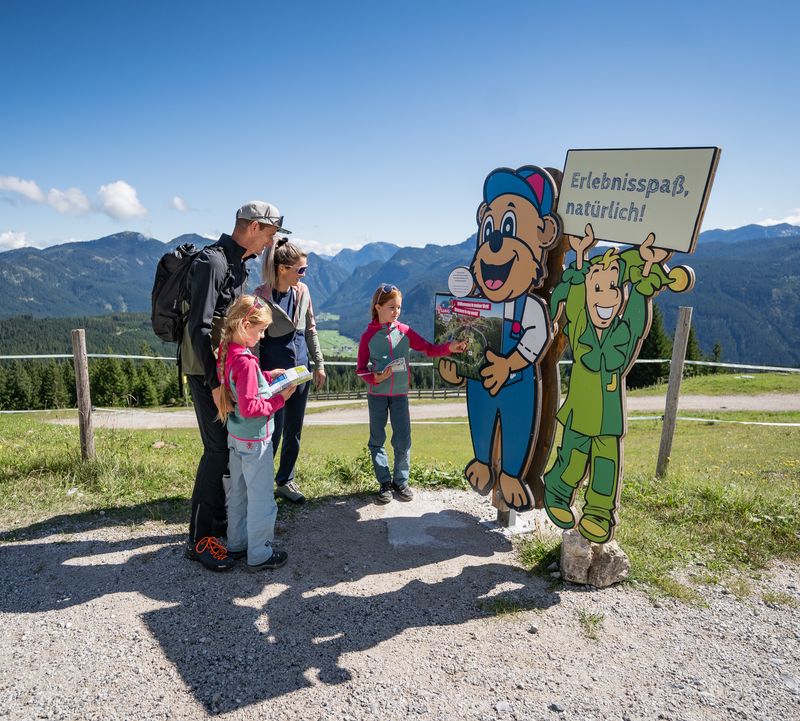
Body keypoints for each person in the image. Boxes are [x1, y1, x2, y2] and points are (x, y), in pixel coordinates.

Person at [183, 201, 291, 571]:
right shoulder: (213, 263)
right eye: (271, 235)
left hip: (222, 373)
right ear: (255, 227)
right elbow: (199, 327)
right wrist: (215, 384)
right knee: (216, 452)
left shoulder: (236, 265)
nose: (271, 244)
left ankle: (229, 535)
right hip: (208, 374)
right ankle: (199, 540)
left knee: (226, 457)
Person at [356, 284, 467, 503]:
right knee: (377, 439)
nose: (396, 312)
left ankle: (401, 482)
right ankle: (384, 483)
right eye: (391, 307)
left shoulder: (404, 331)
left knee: (403, 439)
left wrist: (449, 348)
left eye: (398, 307)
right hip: (376, 395)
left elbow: (428, 348)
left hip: (400, 395)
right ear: (378, 307)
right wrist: (374, 377)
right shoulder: (368, 336)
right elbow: (360, 368)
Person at [213, 295, 295, 571]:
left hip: (236, 437)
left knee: (238, 493)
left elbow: (243, 387)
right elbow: (251, 407)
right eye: (260, 331)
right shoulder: (246, 362)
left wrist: (267, 376)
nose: (262, 337)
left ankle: (236, 543)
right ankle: (259, 553)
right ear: (245, 323)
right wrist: (280, 399)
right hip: (255, 440)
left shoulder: (228, 350)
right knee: (261, 498)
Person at [255, 239, 325, 505]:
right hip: (274, 376)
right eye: (301, 269)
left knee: (294, 429)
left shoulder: (303, 291)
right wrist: (258, 377)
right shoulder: (261, 297)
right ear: (283, 268)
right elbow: (255, 341)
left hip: (301, 371)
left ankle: (285, 481)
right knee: (272, 429)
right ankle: (260, 482)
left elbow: (310, 329)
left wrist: (318, 364)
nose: (304, 274)